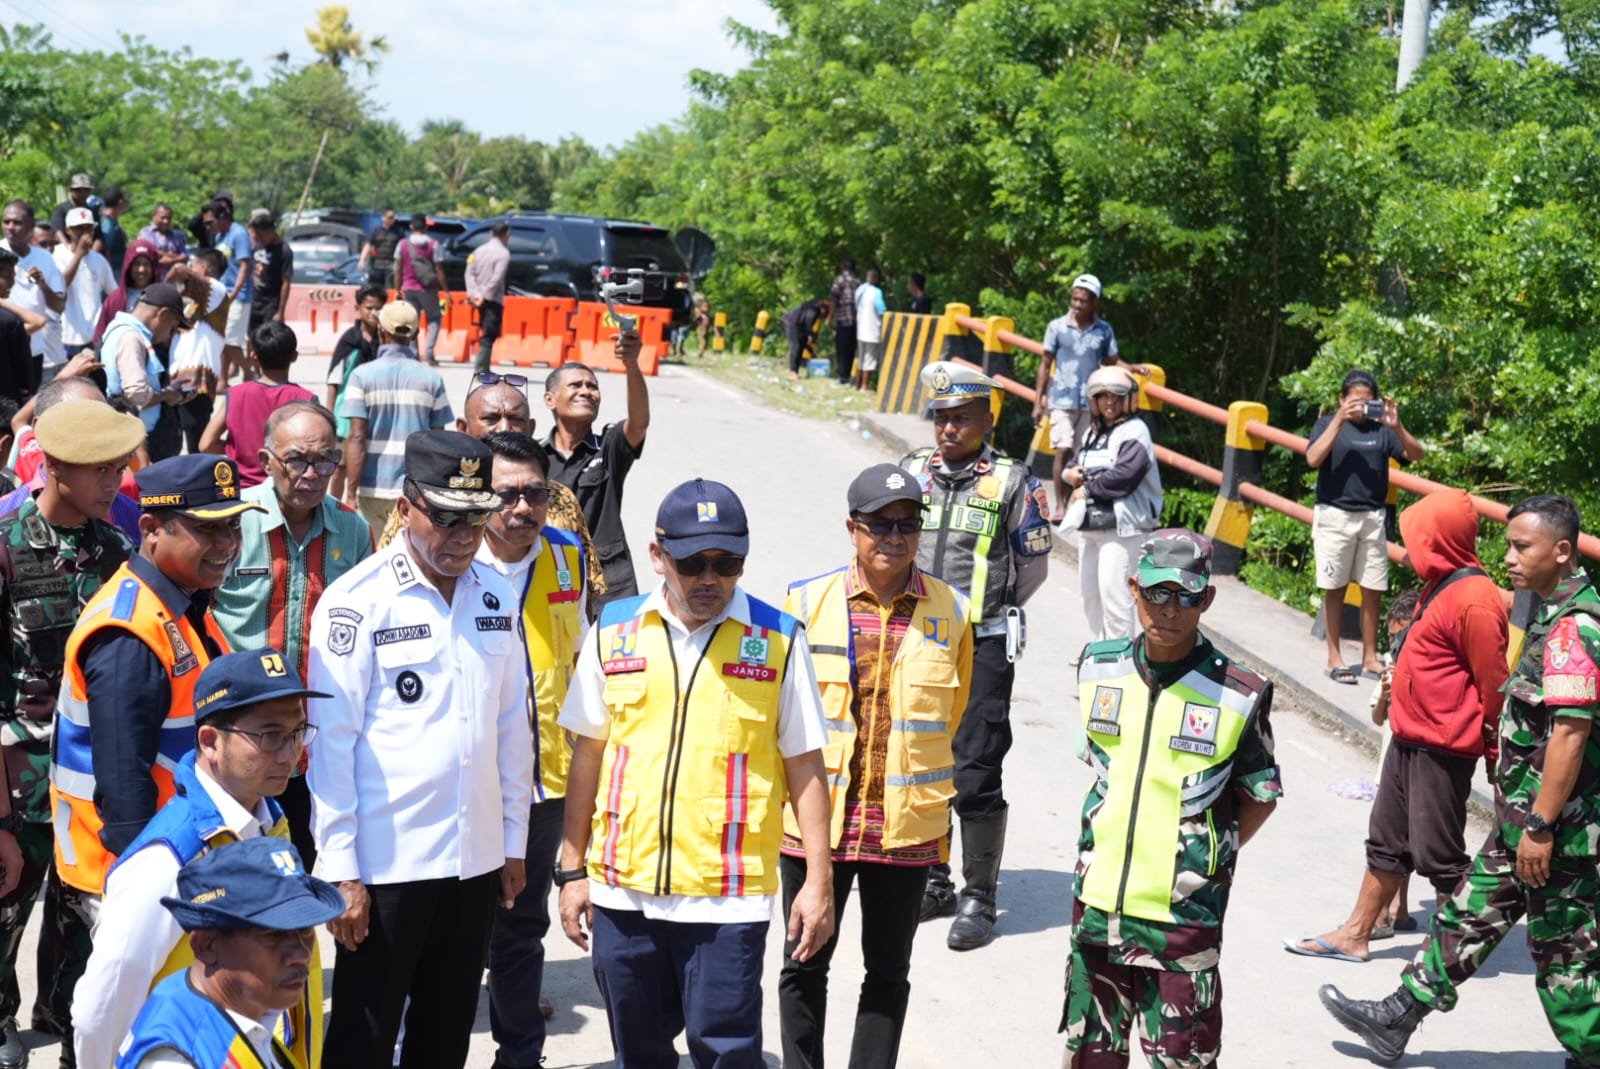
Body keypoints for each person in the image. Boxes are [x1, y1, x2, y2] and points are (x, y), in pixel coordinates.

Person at [555, 478, 835, 1068]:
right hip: (624, 892)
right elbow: (588, 754)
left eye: (726, 563)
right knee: (639, 1054)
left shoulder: (778, 640)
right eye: (692, 563)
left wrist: (818, 879)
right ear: (657, 556)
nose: (710, 578)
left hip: (726, 900)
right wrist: (573, 869)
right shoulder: (614, 630)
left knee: (727, 1053)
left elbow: (805, 763)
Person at [1321, 495, 1600, 1068]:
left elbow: (1570, 736)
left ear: (1562, 551)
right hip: (1525, 818)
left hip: (1557, 831)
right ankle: (1397, 1015)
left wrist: (1541, 826)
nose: (1509, 558)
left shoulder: (1575, 627)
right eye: (1509, 545)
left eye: (1522, 547)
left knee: (1565, 960)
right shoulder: (1550, 612)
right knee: (1467, 916)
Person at [308, 430, 531, 1069]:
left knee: (446, 1033)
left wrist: (512, 840)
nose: (462, 535)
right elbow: (331, 743)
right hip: (387, 864)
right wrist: (342, 868)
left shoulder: (495, 594)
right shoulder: (358, 602)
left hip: (473, 858)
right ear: (405, 507)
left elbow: (511, 726)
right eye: (446, 517)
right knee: (364, 1035)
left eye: (475, 519)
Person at [47, 453, 258, 1055]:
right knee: (132, 1037)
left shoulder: (181, 604)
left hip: (176, 858)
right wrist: (158, 895)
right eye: (207, 529)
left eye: (232, 525)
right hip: (138, 875)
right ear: (151, 529)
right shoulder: (130, 632)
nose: (226, 543)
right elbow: (124, 793)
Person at [778, 463, 974, 1069]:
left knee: (888, 974)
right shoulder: (804, 604)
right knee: (803, 963)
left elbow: (953, 715)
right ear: (852, 528)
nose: (894, 536)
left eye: (908, 524)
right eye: (879, 524)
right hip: (816, 826)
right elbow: (780, 719)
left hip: (905, 828)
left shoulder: (954, 610)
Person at [1062, 529, 1281, 1067]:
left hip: (1182, 921)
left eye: (1186, 596)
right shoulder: (1098, 666)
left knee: (1184, 1059)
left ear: (1207, 599)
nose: (1169, 609)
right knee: (1090, 1056)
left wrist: (1203, 856)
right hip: (1098, 909)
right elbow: (1104, 772)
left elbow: (1261, 795)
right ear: (1133, 588)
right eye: (1157, 592)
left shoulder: (1238, 691)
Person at [72, 649, 329, 1069]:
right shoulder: (169, 860)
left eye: (298, 733)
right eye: (270, 736)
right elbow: (98, 1014)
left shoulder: (270, 822)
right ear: (210, 741)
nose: (289, 754)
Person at [1288, 488, 1507, 964]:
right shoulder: (1439, 584)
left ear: (1441, 540)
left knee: (1437, 853)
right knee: (1386, 840)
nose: (1408, 553)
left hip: (1441, 747)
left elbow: (1494, 686)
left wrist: (1495, 757)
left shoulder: (1475, 599)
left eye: (1417, 542)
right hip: (1407, 738)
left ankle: (1456, 951)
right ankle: (1356, 933)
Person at [0, 399, 141, 1068]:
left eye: (117, 467)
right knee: (5, 913)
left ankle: (66, 1028)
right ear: (54, 467)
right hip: (17, 783)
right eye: (99, 469)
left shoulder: (116, 551)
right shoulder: (6, 548)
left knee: (83, 927)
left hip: (89, 785)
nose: (115, 481)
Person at [901, 360, 1052, 949]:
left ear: (987, 421)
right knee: (923, 756)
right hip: (918, 637)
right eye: (941, 417)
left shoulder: (1014, 482)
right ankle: (934, 880)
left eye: (961, 418)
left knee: (975, 769)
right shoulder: (912, 471)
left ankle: (979, 898)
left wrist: (990, 611)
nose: (948, 428)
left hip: (983, 640)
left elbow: (1032, 566)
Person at [210, 402, 372, 865]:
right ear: (266, 462)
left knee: (302, 872)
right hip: (237, 741)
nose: (312, 474)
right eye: (297, 461)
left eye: (325, 460)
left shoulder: (353, 530)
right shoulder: (231, 523)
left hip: (316, 748)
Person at [476, 430, 586, 1069]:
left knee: (522, 925)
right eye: (506, 494)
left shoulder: (568, 554)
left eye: (535, 493)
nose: (522, 507)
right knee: (460, 927)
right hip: (472, 779)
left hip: (548, 779)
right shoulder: (455, 554)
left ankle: (519, 1057)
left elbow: (586, 658)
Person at [112, 837, 344, 1069]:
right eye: (273, 935)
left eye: (304, 930)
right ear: (206, 946)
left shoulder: (244, 1010)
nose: (301, 954)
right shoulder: (176, 1061)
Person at [1306, 369, 1425, 683]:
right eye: (1354, 401)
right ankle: (1334, 657)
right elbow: (1313, 459)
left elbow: (1417, 454)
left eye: (1367, 401)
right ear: (1342, 400)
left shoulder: (1382, 429)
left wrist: (1397, 426)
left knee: (1373, 589)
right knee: (1335, 589)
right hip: (1335, 516)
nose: (1361, 407)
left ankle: (1370, 658)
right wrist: (1340, 419)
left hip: (1373, 518)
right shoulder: (1326, 424)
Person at [542, 334, 648, 606]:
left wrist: (631, 364)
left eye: (592, 386)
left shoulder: (609, 448)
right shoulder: (535, 458)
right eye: (575, 385)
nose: (586, 391)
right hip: (550, 574)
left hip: (608, 582)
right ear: (550, 399)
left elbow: (638, 423)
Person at [1062, 366, 1163, 643]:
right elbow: (1074, 464)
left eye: (1116, 396)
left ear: (1128, 399)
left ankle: (1119, 654)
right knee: (1090, 594)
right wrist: (1070, 475)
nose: (1109, 402)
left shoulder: (1135, 431)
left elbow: (1124, 476)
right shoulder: (1092, 433)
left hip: (1123, 526)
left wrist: (1086, 487)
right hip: (1091, 523)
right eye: (1102, 396)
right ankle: (1100, 649)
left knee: (1114, 593)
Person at [1035, 274, 1143, 520]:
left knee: (1082, 455)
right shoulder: (1057, 327)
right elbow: (1045, 364)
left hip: (1091, 402)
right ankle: (1060, 506)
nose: (1077, 305)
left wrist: (1134, 368)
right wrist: (1038, 401)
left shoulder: (1104, 330)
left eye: (1083, 301)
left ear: (1095, 303)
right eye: (1074, 299)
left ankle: (1078, 505)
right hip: (1061, 399)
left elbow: (1113, 361)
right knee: (1062, 450)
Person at [340, 302, 453, 535]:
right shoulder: (432, 379)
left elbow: (357, 437)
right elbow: (438, 441)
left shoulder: (361, 376)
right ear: (416, 334)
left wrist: (350, 493)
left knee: (376, 552)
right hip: (414, 491)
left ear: (381, 330)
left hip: (371, 491)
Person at [197, 322, 315, 488]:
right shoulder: (306, 399)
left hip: (242, 488)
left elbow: (206, 445)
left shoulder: (236, 395)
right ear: (295, 356)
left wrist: (235, 450)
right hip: (288, 489)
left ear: (254, 357)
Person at [98, 282, 199, 444]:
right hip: (140, 441)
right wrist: (167, 395)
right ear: (163, 314)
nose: (169, 334)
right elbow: (136, 396)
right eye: (172, 326)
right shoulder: (131, 338)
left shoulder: (118, 329)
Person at [2, 201, 66, 389]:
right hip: (4, 347)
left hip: (33, 349)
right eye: (6, 222)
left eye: (17, 223)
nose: (10, 227)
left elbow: (59, 306)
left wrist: (42, 284)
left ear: (31, 226)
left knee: (29, 401)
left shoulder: (44, 258)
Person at [52, 208, 115, 370]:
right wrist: (79, 254)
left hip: (94, 336)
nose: (85, 233)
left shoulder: (99, 260)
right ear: (68, 230)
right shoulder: (57, 255)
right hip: (66, 336)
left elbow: (114, 293)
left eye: (89, 228)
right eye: (79, 228)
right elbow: (61, 285)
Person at [205, 200, 253, 386]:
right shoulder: (219, 236)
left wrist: (235, 293)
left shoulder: (239, 234)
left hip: (238, 296)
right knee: (222, 339)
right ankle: (222, 380)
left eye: (210, 222)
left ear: (223, 217)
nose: (208, 227)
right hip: (221, 294)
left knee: (231, 341)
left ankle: (248, 372)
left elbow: (245, 266)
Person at [394, 215, 447, 366]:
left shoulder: (402, 244)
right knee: (434, 319)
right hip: (428, 288)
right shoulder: (434, 244)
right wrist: (446, 290)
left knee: (412, 321)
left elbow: (398, 270)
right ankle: (429, 352)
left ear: (411, 227)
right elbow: (439, 269)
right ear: (426, 227)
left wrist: (397, 290)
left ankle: (413, 353)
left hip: (409, 288)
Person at [91, 238, 159, 349]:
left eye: (146, 264)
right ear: (129, 266)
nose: (141, 269)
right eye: (137, 264)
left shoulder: (161, 299)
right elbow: (100, 336)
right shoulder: (114, 299)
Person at [466, 221, 511, 374]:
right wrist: (484, 295)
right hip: (492, 299)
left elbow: (469, 273)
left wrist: (474, 293)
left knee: (486, 331)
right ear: (506, 234)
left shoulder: (478, 251)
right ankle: (481, 369)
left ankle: (483, 367)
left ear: (491, 233)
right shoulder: (503, 254)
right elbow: (496, 278)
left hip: (478, 297)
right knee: (489, 333)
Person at [245, 210, 292, 333]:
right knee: (252, 335)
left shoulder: (284, 251)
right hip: (254, 300)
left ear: (270, 230)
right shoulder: (258, 245)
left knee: (268, 336)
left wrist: (280, 311)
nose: (259, 238)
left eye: (260, 234)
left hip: (271, 303)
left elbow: (286, 283)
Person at [0, 249, 36, 407]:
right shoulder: (10, 322)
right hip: (6, 408)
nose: (12, 283)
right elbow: (24, 375)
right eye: (8, 277)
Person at [852, 268, 887, 392]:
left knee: (861, 358)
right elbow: (881, 309)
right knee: (870, 360)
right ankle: (864, 386)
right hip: (872, 329)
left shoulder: (860, 290)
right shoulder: (876, 292)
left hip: (861, 329)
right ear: (876, 279)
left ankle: (856, 384)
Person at [781, 298, 831, 381]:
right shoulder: (815, 310)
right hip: (791, 322)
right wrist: (810, 335)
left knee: (801, 344)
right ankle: (792, 372)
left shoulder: (814, 305)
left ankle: (795, 371)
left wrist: (812, 353)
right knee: (796, 346)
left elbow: (805, 340)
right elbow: (808, 321)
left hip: (799, 325)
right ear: (824, 310)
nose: (823, 317)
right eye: (826, 314)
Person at [829, 258, 861, 386]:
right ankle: (850, 375)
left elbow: (834, 299)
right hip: (856, 320)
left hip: (843, 319)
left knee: (842, 348)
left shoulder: (839, 280)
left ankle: (843, 376)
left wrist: (829, 318)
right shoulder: (858, 281)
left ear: (843, 267)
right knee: (852, 348)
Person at [136, 204, 188, 281]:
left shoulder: (178, 235)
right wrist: (173, 256)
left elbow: (185, 257)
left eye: (169, 218)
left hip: (175, 281)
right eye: (163, 218)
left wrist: (170, 260)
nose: (166, 221)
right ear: (154, 216)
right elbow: (146, 254)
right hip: (152, 279)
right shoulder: (145, 233)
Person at [359, 209, 403, 289]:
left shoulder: (399, 232)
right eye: (390, 217)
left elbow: (404, 247)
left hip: (392, 265)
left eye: (393, 217)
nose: (392, 219)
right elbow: (368, 245)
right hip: (377, 265)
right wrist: (362, 260)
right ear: (383, 218)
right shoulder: (376, 231)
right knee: (376, 289)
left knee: (390, 289)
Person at [47, 178, 97, 245]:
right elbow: (57, 232)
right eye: (78, 190)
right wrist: (68, 248)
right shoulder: (61, 209)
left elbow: (99, 237)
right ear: (70, 190)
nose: (83, 193)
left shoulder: (91, 211)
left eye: (86, 190)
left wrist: (92, 250)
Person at [96, 188, 129, 276]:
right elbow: (107, 250)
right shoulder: (108, 223)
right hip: (114, 269)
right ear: (120, 202)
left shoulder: (109, 220)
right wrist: (109, 274)